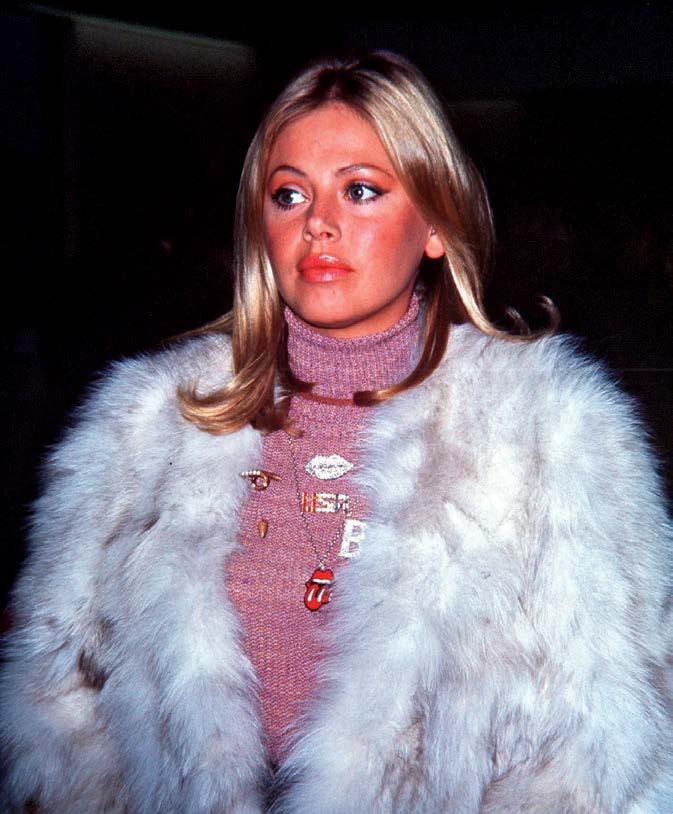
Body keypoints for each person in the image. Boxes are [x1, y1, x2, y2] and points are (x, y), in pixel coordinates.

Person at [1, 50, 672, 814]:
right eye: (288, 194)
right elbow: (57, 705)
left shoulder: (552, 430)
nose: (317, 223)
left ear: (435, 223)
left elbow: (632, 743)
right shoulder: (151, 422)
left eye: (359, 190)